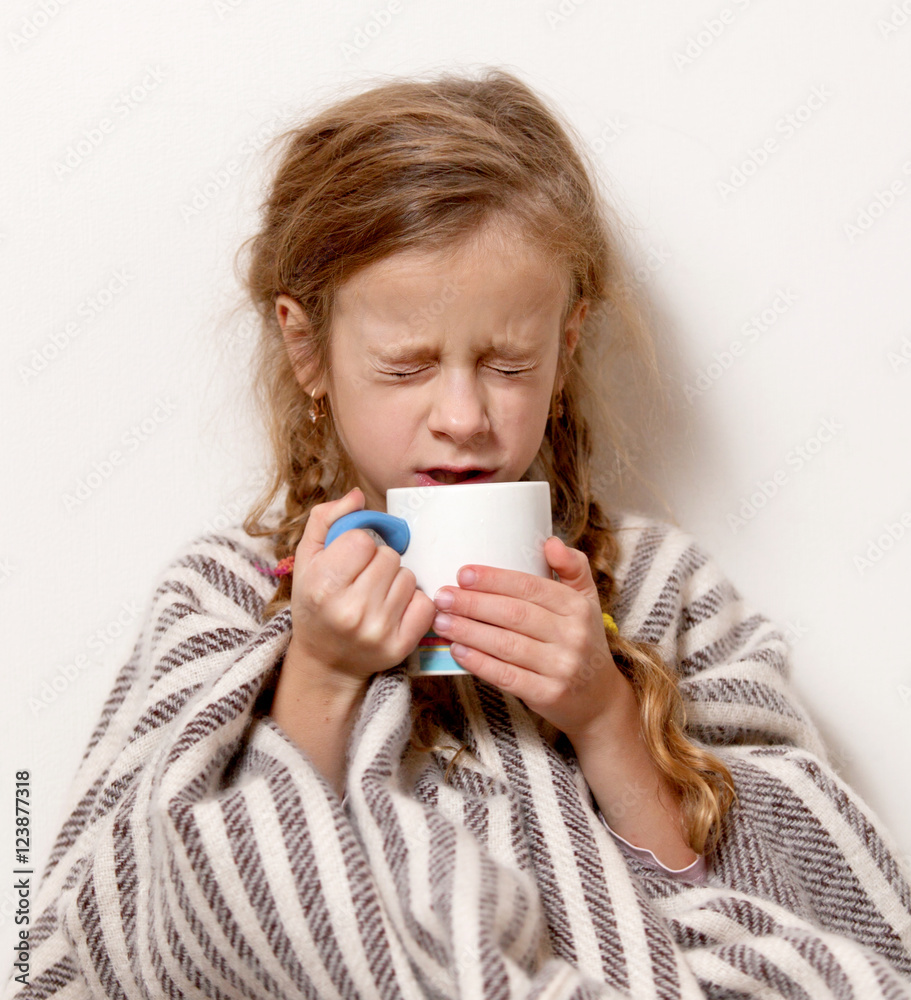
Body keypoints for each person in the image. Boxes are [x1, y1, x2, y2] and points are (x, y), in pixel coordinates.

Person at [8, 68, 911, 1000]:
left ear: (566, 346)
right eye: (405, 367)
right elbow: (150, 934)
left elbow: (783, 902)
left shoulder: (658, 589)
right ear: (307, 350)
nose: (462, 415)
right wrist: (319, 673)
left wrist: (604, 716)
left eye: (507, 363)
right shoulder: (224, 597)